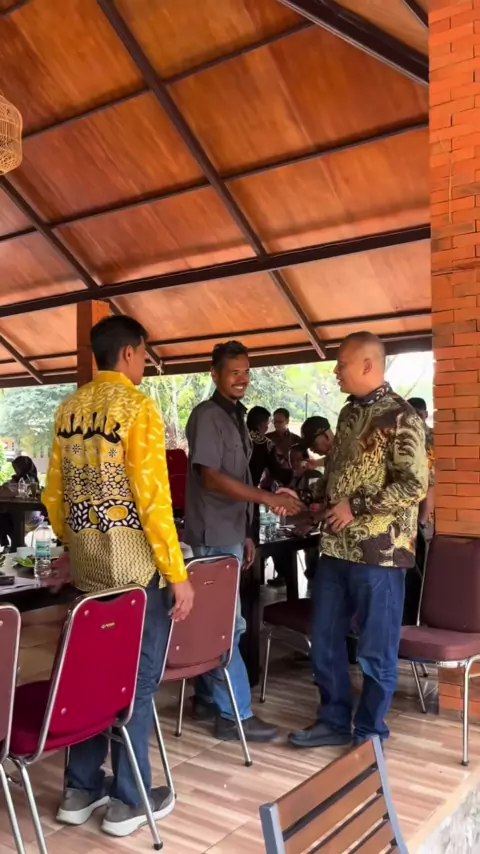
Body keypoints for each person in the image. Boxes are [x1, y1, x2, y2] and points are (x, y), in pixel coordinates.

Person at [43, 315, 194, 839]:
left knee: (89, 678)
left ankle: (80, 790)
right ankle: (130, 800)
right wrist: (176, 573)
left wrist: (74, 545)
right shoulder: (137, 407)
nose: (144, 363)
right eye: (144, 354)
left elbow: (55, 495)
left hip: (89, 572)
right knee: (137, 682)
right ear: (130, 352)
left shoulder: (68, 408)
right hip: (135, 573)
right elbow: (153, 500)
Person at [289, 331, 427, 750]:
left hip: (380, 555)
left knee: (375, 650)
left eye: (342, 363)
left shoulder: (403, 417)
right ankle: (333, 721)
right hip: (335, 548)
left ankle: (369, 733)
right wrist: (310, 502)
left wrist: (356, 506)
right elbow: (339, 473)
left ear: (368, 365)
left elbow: (414, 485)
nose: (335, 371)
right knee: (325, 643)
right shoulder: (349, 413)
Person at [185, 340, 301, 742]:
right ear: (214, 374)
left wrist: (249, 531)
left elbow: (242, 477)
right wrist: (267, 499)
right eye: (234, 372)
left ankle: (206, 699)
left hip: (232, 532)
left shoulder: (235, 416)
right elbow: (210, 477)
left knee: (214, 620)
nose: (242, 379)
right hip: (212, 534)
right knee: (225, 625)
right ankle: (235, 714)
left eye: (246, 371)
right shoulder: (206, 415)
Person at [407, 397, 435, 531]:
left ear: (426, 414)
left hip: (429, 504)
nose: (416, 419)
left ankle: (421, 523)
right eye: (411, 415)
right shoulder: (403, 437)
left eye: (419, 414)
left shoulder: (435, 436)